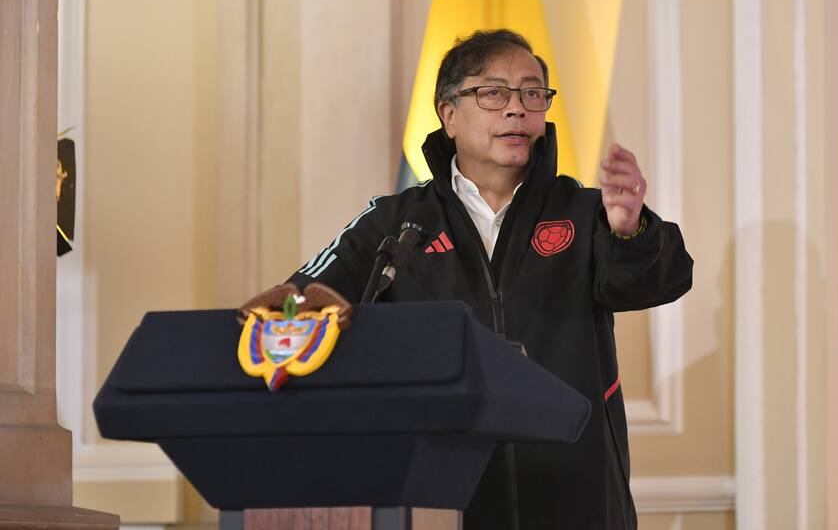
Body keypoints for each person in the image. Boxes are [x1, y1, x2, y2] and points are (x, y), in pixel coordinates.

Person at [256, 29, 693, 529]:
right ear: (448, 114)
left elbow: (664, 278)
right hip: (442, 499)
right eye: (492, 93)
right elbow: (296, 299)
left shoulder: (586, 211)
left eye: (532, 93)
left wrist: (630, 230)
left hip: (576, 496)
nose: (516, 109)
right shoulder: (397, 222)